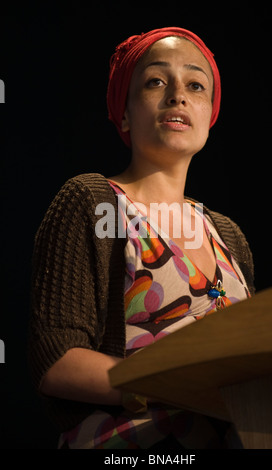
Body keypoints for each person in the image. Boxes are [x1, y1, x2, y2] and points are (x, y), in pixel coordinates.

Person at [29, 26, 255, 449]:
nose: (177, 95)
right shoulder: (92, 202)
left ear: (210, 114)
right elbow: (56, 361)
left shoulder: (229, 236)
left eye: (195, 85)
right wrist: (175, 384)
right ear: (125, 112)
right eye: (155, 81)